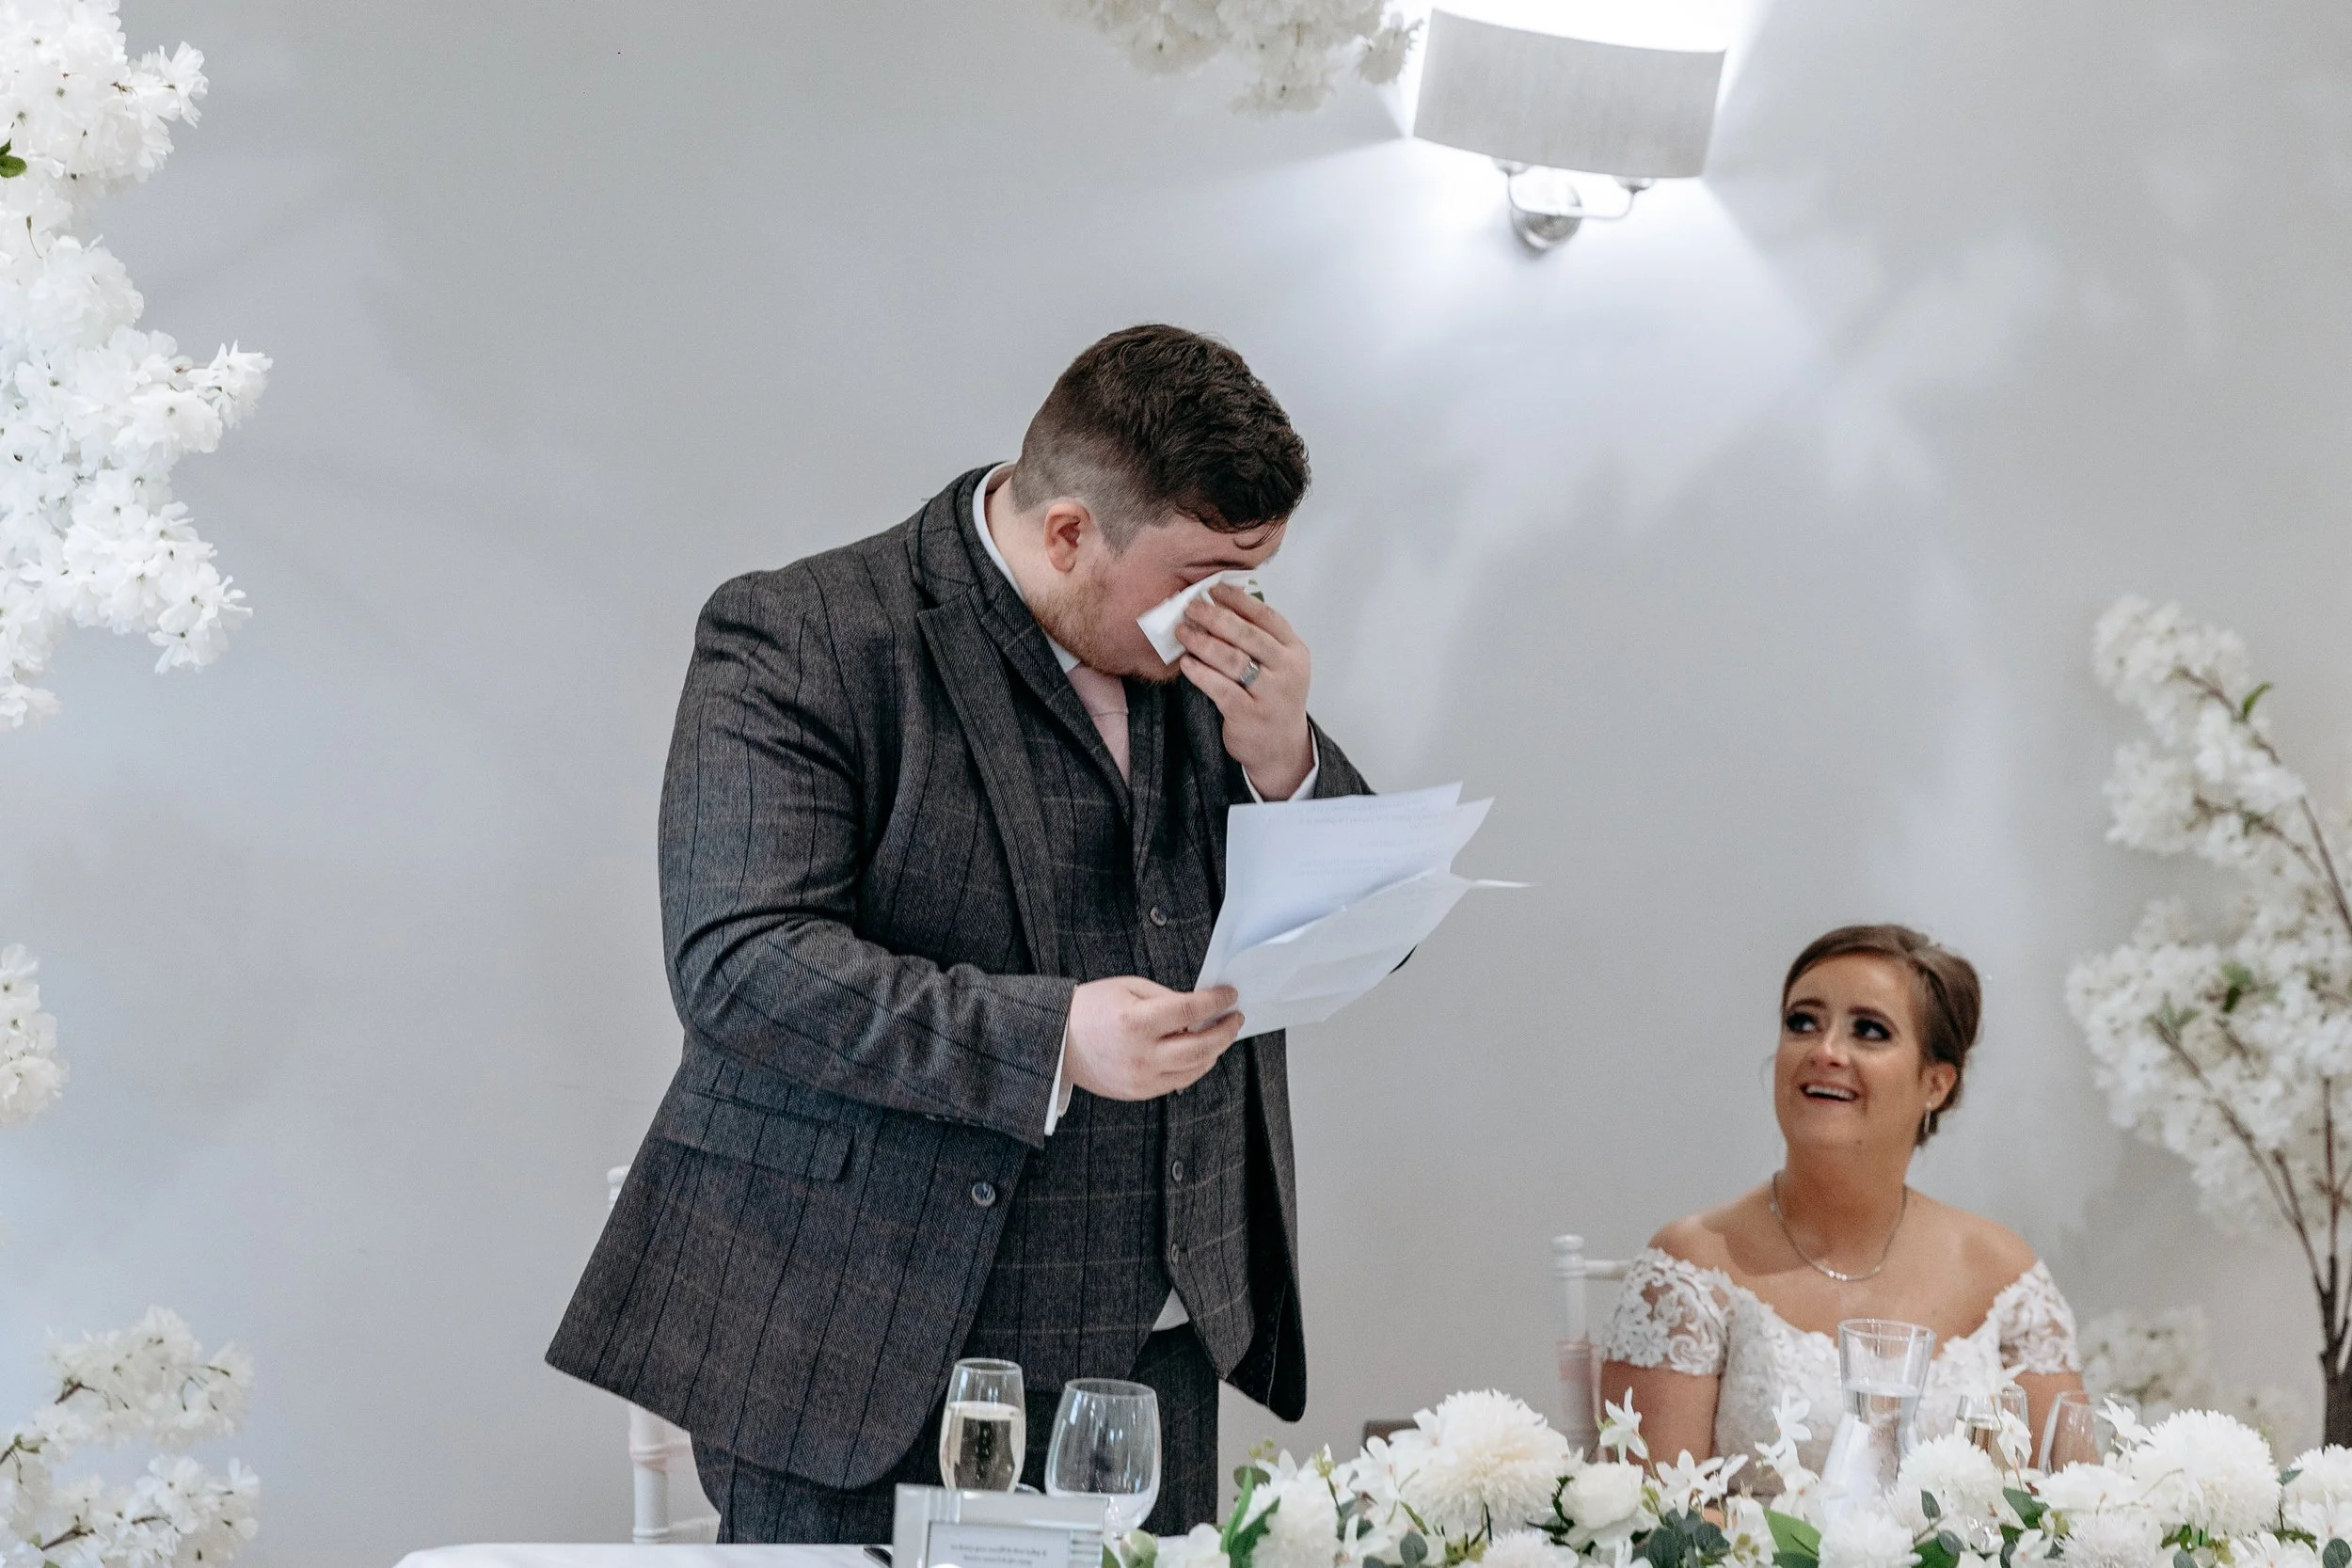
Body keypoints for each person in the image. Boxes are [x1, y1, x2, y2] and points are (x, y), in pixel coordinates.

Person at [545, 325, 1372, 1544]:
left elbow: (1360, 932)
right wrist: (1053, 1036)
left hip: (1158, 1356)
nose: (1229, 611)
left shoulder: (1220, 670)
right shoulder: (808, 637)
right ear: (1069, 532)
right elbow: (741, 964)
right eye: (1198, 574)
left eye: (1250, 573)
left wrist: (1288, 759)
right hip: (863, 1338)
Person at [1597, 925, 2085, 1473]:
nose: (1825, 1051)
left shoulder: (2002, 1273)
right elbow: (1649, 1518)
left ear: (1936, 1083)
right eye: (1802, 1023)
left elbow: (2069, 1504)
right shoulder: (1694, 1264)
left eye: (1870, 1031)